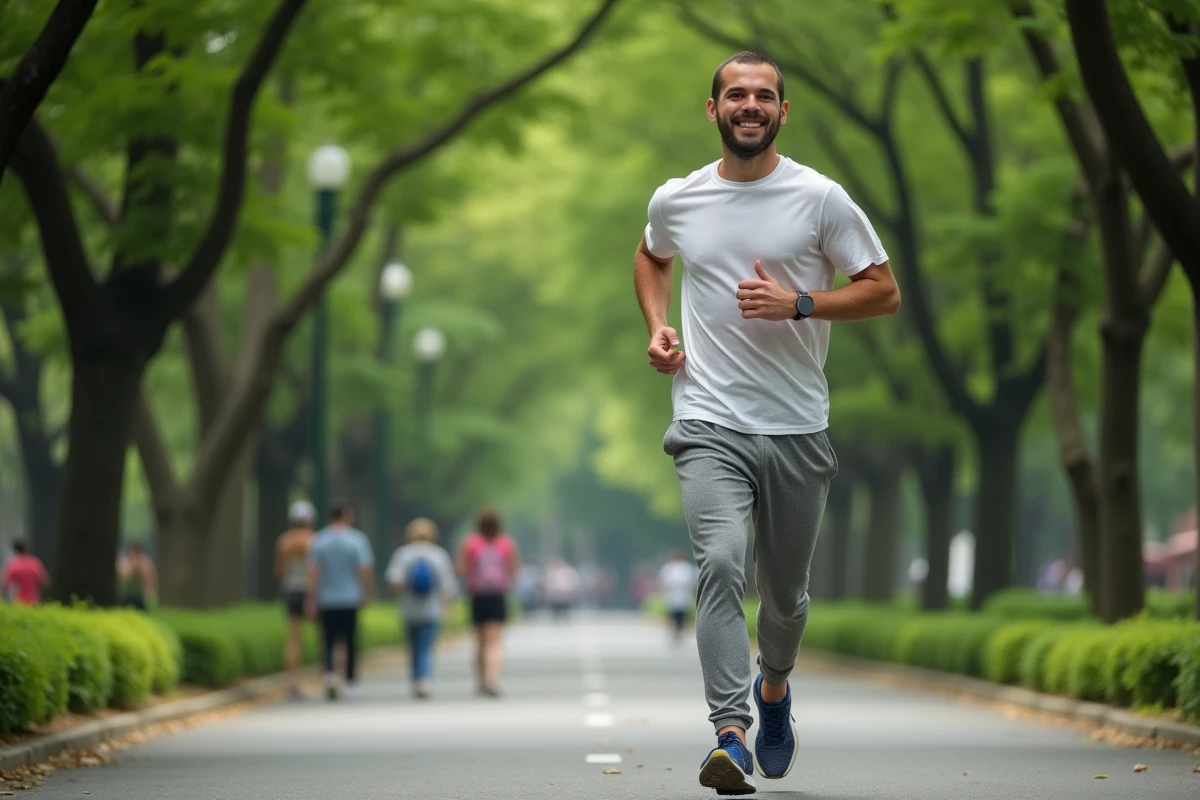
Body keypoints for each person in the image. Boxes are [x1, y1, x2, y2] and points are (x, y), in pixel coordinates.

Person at [634, 51, 900, 794]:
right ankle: (730, 733)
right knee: (720, 563)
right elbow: (651, 256)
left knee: (785, 597)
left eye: (763, 96)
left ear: (782, 112)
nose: (748, 105)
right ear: (713, 109)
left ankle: (773, 686)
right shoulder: (678, 199)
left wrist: (800, 304)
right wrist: (657, 325)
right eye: (735, 95)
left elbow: (883, 291)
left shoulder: (820, 199)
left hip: (796, 426)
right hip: (707, 419)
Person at [306, 498, 374, 701]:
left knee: (327, 640)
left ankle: (329, 675)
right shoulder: (357, 539)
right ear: (347, 515)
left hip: (326, 599)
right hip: (350, 598)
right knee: (350, 640)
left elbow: (314, 572)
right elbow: (364, 569)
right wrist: (366, 593)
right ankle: (350, 682)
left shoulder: (319, 539)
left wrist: (311, 597)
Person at [385, 517, 457, 700]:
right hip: (431, 608)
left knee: (413, 646)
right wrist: (448, 604)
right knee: (426, 646)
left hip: (409, 608)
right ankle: (423, 680)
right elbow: (447, 584)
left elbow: (395, 580)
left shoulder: (403, 554)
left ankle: (416, 677)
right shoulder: (438, 554)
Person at [456, 508, 519, 698]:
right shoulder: (506, 543)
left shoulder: (471, 543)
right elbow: (514, 570)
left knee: (480, 642)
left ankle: (481, 680)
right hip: (498, 596)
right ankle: (492, 679)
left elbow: (460, 569)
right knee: (494, 642)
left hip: (478, 596)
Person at [276, 500, 316, 699]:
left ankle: (292, 682)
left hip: (291, 590)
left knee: (293, 639)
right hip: (311, 591)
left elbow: (280, 571)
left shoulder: (284, 541)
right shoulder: (314, 540)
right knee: (323, 636)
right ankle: (328, 677)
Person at [658, 550, 698, 644]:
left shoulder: (685, 568)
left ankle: (680, 632)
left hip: (682, 595)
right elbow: (663, 581)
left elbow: (690, 582)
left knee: (682, 616)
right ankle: (673, 632)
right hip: (672, 595)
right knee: (672, 615)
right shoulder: (668, 567)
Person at [2, 541, 49, 606]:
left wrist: (4, 600)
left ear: (15, 551)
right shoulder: (35, 563)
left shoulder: (13, 564)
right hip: (34, 601)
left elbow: (6, 584)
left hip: (18, 601)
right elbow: (44, 581)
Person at [116, 541, 158, 610]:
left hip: (140, 596)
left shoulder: (145, 563)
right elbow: (124, 576)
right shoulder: (125, 562)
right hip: (125, 595)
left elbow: (150, 579)